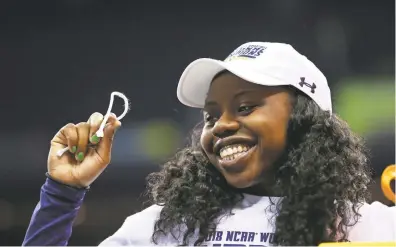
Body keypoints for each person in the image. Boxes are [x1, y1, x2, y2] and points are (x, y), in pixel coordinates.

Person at [22, 42, 395, 246]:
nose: (222, 126)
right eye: (210, 116)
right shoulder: (162, 229)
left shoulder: (367, 229)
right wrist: (62, 195)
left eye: (246, 107)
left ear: (306, 121)